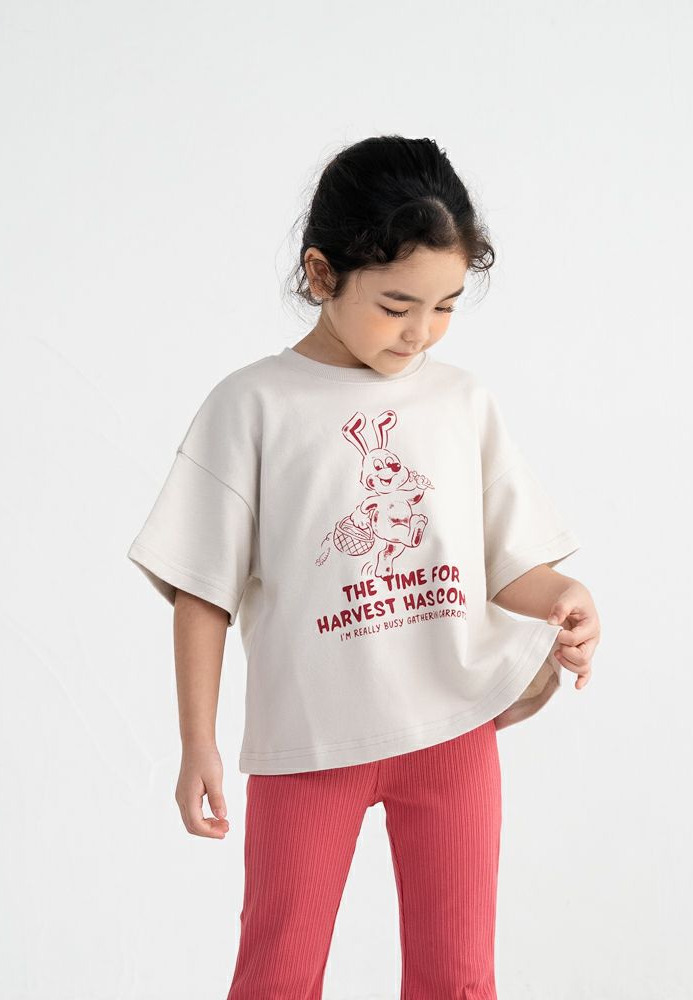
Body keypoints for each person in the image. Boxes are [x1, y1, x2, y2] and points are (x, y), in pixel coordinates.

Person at [126, 134, 601, 999]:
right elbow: (202, 589)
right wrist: (198, 742)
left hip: (452, 731)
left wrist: (564, 595)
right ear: (321, 274)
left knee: (459, 980)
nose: (421, 332)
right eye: (396, 304)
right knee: (277, 977)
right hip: (310, 744)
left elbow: (507, 564)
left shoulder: (461, 402)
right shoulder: (252, 406)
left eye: (446, 305)